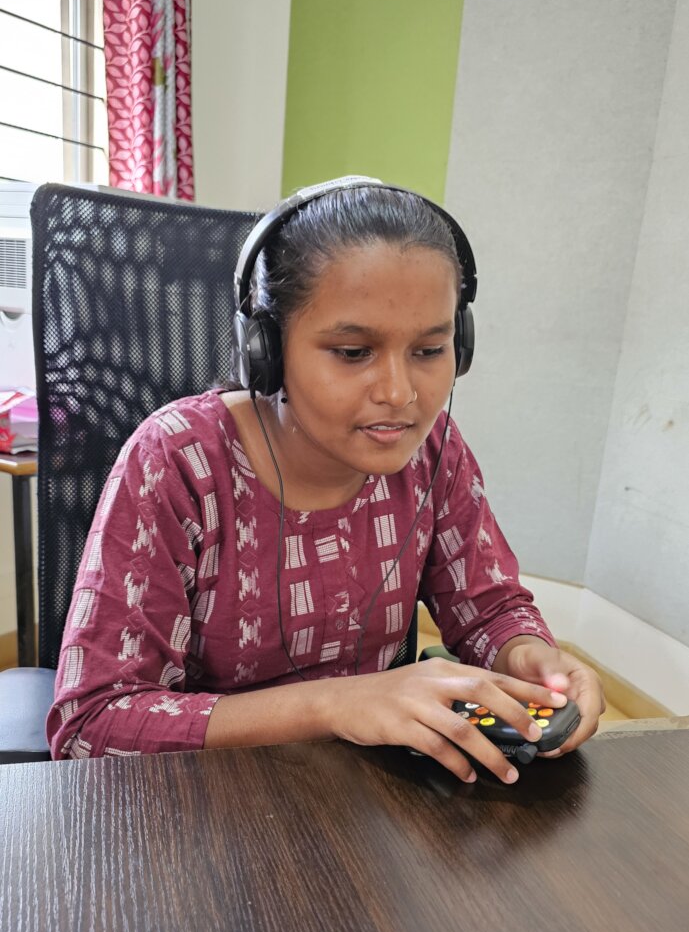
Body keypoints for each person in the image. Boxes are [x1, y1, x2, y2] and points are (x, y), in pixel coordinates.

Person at [47, 176, 605, 783]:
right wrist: (337, 705)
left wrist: (527, 655)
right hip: (205, 801)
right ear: (265, 350)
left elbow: (489, 608)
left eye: (428, 351)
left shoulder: (433, 453)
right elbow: (93, 729)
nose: (399, 394)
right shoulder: (179, 460)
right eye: (352, 352)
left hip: (364, 801)